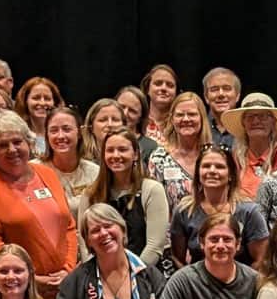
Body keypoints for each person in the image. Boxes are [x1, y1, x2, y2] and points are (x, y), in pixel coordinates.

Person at [0, 111, 79, 299]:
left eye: (17, 142)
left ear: (29, 143)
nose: (12, 149)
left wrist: (68, 269)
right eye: (3, 145)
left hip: (66, 286)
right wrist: (31, 279)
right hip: (17, 292)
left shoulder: (47, 174)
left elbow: (69, 226)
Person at [79, 128, 171, 263]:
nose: (116, 155)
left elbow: (154, 246)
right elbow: (85, 244)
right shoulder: (90, 195)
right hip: (100, 275)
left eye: (122, 149)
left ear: (135, 155)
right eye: (110, 150)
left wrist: (129, 278)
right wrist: (98, 276)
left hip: (144, 274)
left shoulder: (151, 190)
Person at [170, 145, 270, 265]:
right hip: (197, 282)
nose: (212, 171)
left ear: (231, 175)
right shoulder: (184, 211)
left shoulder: (249, 211)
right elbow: (178, 259)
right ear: (198, 173)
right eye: (206, 166)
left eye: (220, 167)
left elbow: (261, 260)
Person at [219, 93, 277, 199]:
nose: (256, 121)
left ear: (274, 122)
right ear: (243, 123)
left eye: (262, 116)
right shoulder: (233, 161)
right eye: (250, 117)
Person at [145, 92, 211, 208]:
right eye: (180, 115)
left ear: (202, 118)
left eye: (192, 114)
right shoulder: (159, 159)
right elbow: (153, 204)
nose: (186, 119)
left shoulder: (214, 156)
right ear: (172, 119)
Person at [44, 107, 98, 196]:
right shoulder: (34, 171)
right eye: (54, 131)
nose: (60, 136)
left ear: (79, 133)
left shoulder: (94, 172)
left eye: (67, 129)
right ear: (47, 135)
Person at [141, 64, 179, 145]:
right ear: (147, 89)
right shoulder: (138, 121)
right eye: (158, 83)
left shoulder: (181, 123)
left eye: (170, 85)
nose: (163, 88)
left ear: (176, 92)